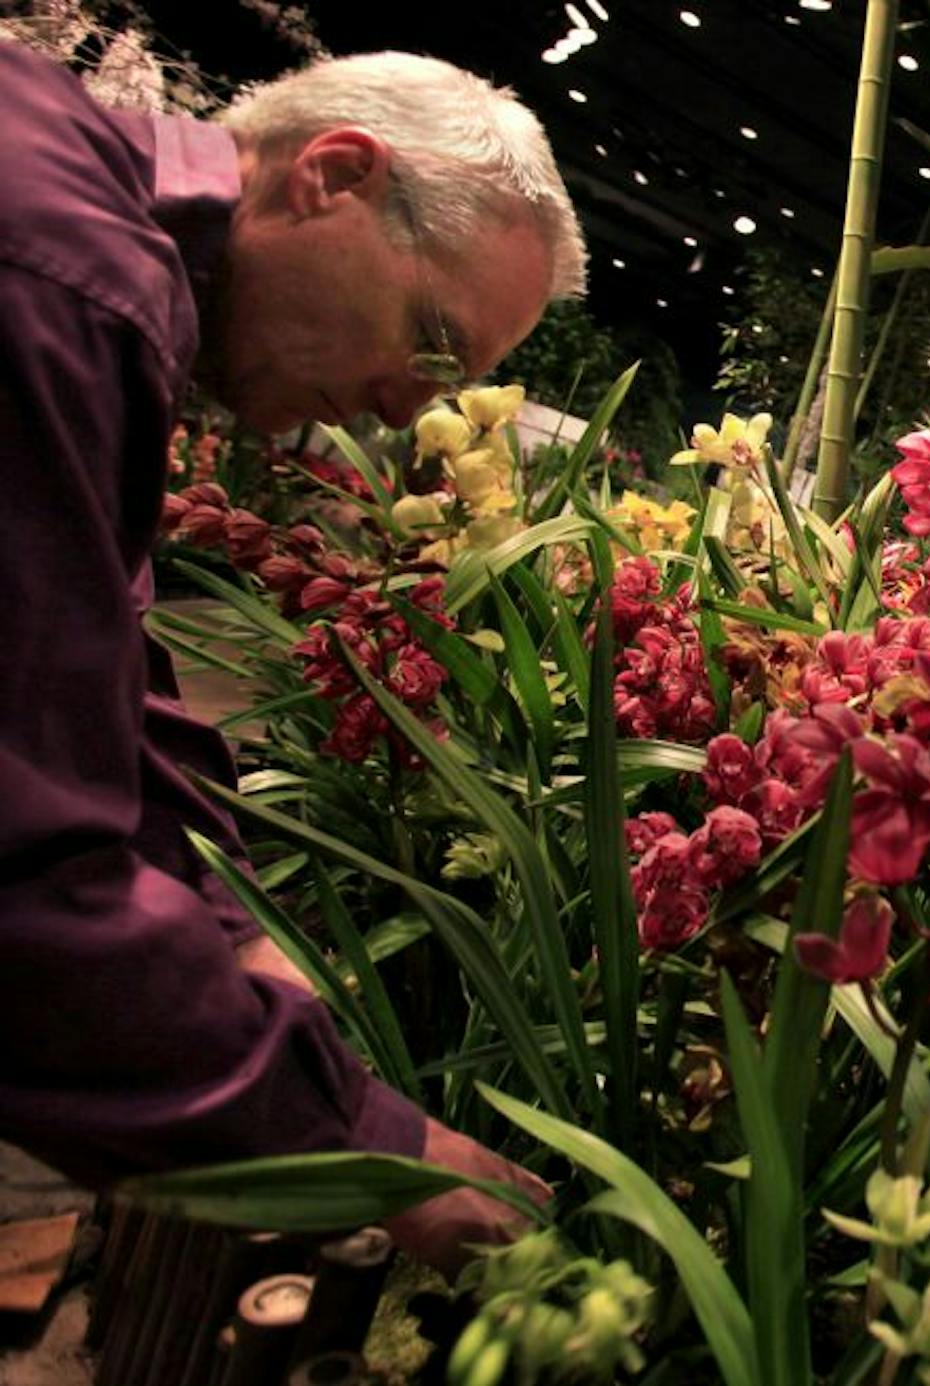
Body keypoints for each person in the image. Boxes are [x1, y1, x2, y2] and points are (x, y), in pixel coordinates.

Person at [0, 43, 586, 1271]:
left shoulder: (60, 195)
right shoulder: (70, 288)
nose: (401, 410)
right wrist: (362, 1147)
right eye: (431, 346)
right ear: (333, 175)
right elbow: (20, 864)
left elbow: (84, 682)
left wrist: (230, 933)